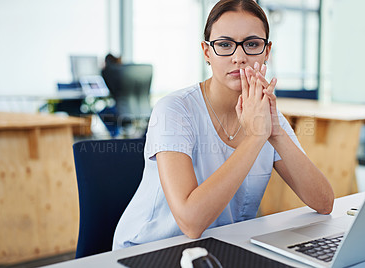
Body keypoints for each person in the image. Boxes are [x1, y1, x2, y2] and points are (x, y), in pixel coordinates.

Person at [113, 0, 334, 250]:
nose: (239, 58)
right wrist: (255, 137)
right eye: (225, 45)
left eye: (252, 44)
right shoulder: (174, 110)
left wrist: (275, 132)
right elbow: (191, 223)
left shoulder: (266, 115)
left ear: (267, 51)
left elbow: (324, 203)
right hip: (151, 250)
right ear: (207, 52)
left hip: (221, 247)